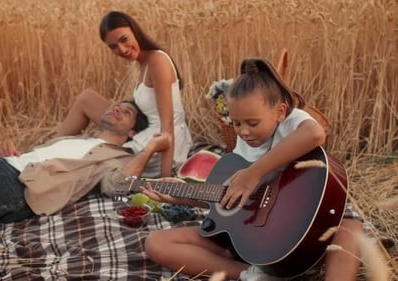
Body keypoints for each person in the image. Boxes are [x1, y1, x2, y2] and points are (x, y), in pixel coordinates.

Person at [143, 58, 364, 281]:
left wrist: (253, 173)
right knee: (156, 242)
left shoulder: (291, 120)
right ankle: (252, 275)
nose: (244, 132)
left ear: (280, 111)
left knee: (350, 229)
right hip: (251, 241)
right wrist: (184, 196)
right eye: (237, 123)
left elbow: (315, 134)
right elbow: (232, 201)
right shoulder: (241, 149)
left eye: (253, 123)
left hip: (301, 235)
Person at [0, 100, 171, 246]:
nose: (117, 109)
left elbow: (119, 185)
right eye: (116, 106)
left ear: (132, 133)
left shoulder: (116, 158)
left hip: (17, 187)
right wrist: (7, 153)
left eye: (126, 112)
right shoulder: (77, 139)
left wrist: (149, 149)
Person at [57, 11, 193, 178]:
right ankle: (51, 149)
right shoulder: (143, 63)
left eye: (124, 39)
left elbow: (168, 126)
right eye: (113, 46)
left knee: (95, 151)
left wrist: (166, 179)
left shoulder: (157, 61)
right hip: (142, 129)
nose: (121, 49)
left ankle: (54, 158)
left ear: (135, 31)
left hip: (159, 144)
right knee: (86, 99)